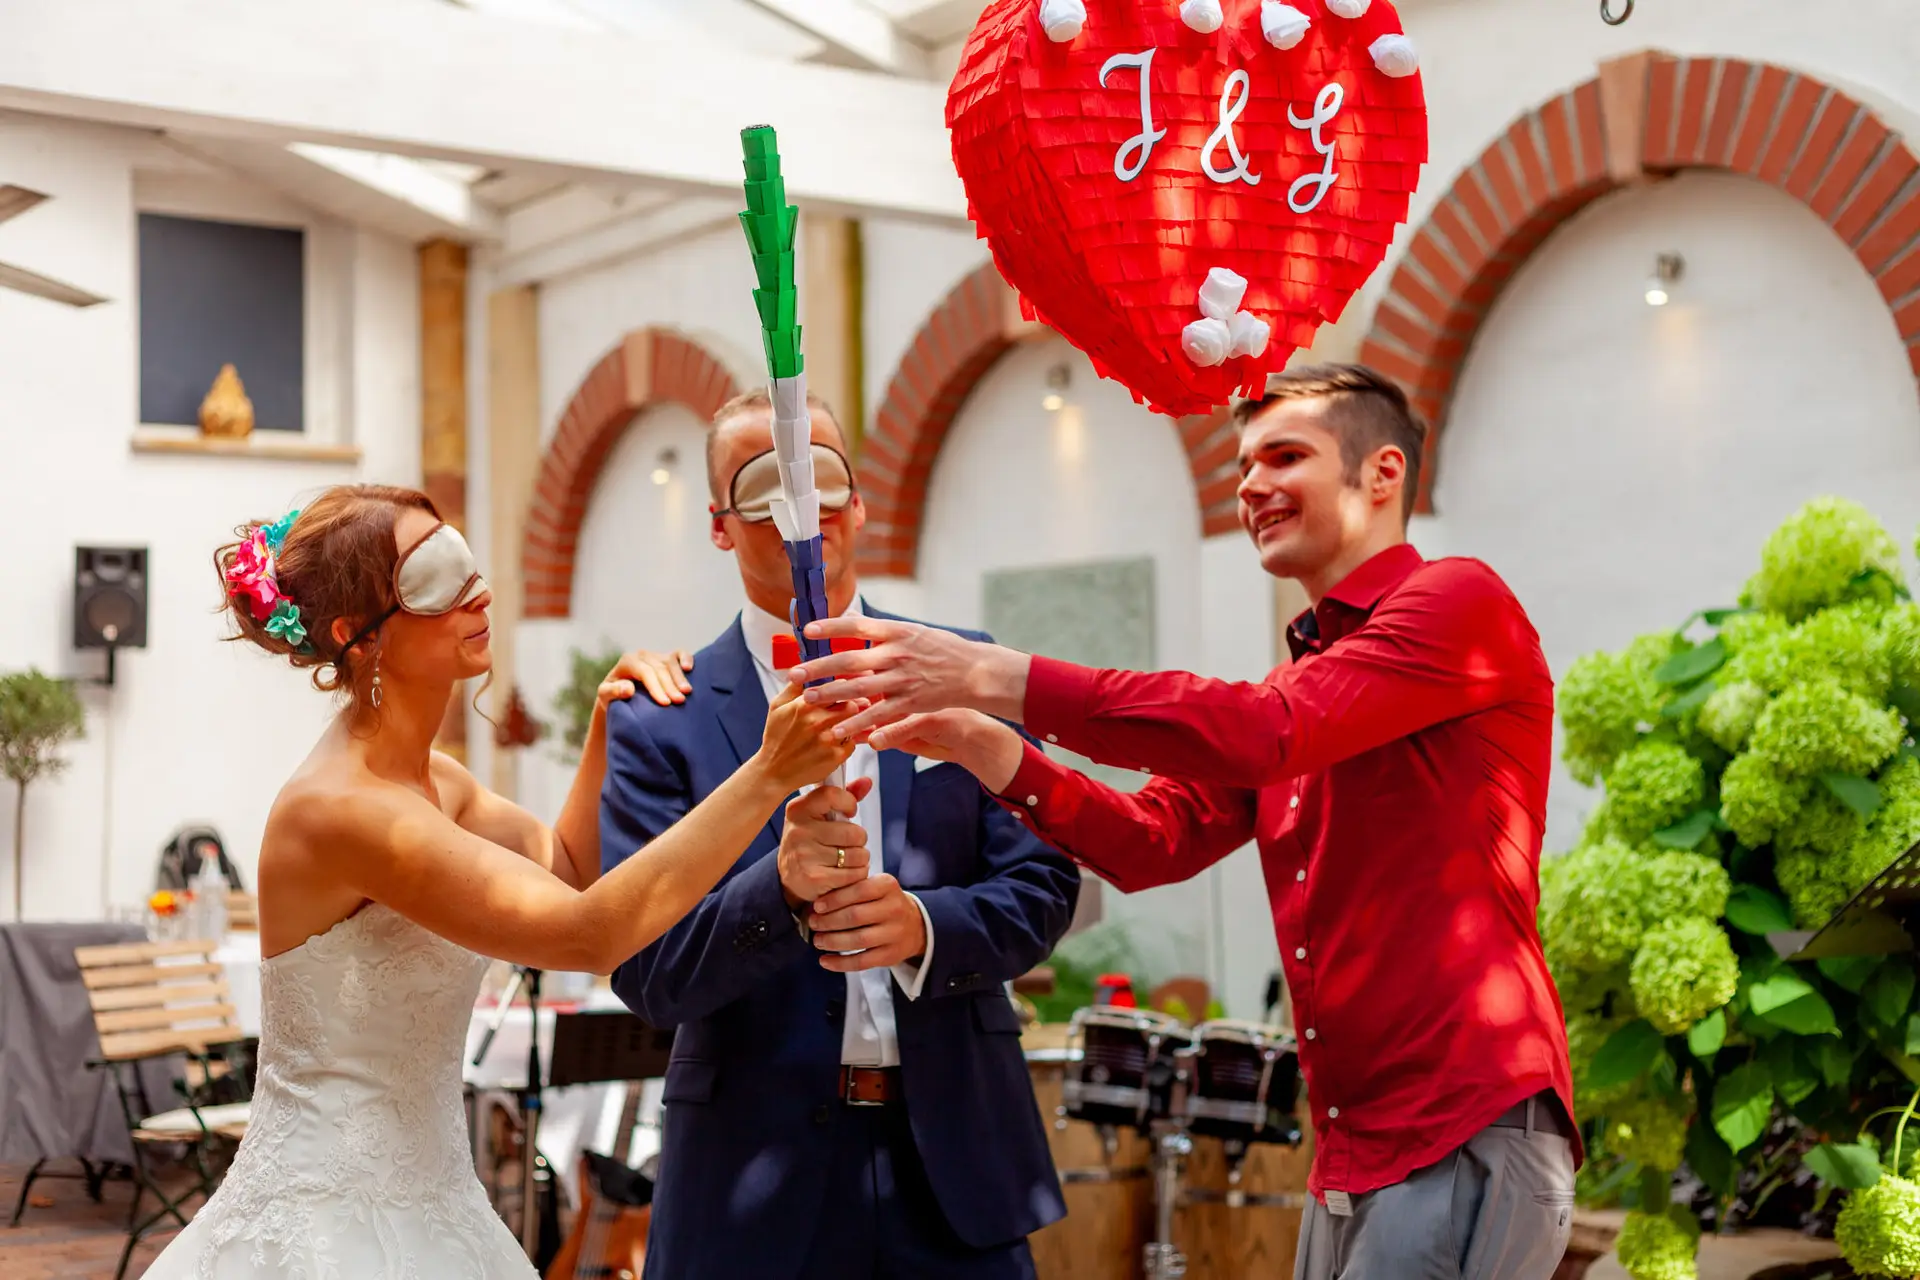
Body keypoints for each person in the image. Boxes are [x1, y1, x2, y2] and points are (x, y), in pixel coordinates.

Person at [789, 365, 1583, 1280]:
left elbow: (1267, 732)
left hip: (1461, 1118)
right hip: (1357, 1143)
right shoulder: (1303, 686)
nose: (1252, 485)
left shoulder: (1458, 602)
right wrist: (986, 746)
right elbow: (1150, 841)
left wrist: (996, 675)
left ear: (1383, 473)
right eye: (1243, 466)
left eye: (1285, 456)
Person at [143, 483, 855, 1280]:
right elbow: (589, 935)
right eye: (432, 580)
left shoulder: (437, 782)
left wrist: (605, 728)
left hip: (434, 1198)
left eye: (465, 563)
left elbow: (567, 869)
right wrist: (767, 774)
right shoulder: (342, 810)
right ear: (355, 636)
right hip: (328, 1223)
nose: (477, 593)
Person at [600, 391, 1081, 1280]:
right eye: (762, 490)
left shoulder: (964, 667)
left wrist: (924, 928)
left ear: (857, 504)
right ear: (719, 528)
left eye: (822, 481)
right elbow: (645, 970)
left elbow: (1045, 884)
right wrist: (778, 892)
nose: (800, 508)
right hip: (749, 1187)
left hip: (955, 1173)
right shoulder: (660, 718)